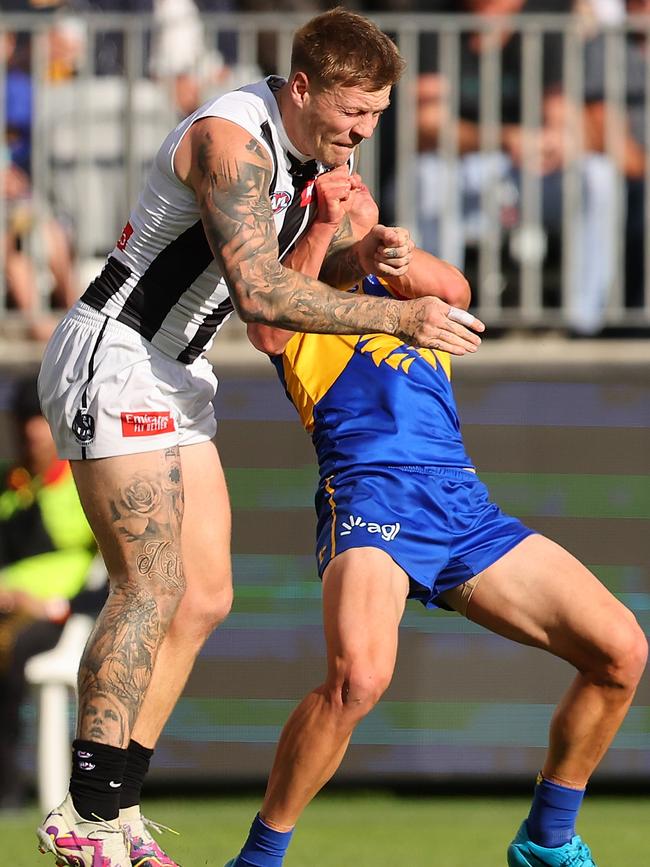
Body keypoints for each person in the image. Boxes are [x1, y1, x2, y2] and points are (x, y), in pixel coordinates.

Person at [35, 8, 486, 867]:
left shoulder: (318, 159)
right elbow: (261, 299)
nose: (363, 132)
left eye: (377, 116)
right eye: (353, 113)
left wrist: (368, 253)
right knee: (150, 583)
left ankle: (120, 810)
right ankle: (85, 814)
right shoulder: (230, 142)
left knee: (204, 596)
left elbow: (290, 303)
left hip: (178, 370)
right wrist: (400, 312)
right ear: (304, 87)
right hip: (117, 354)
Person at [226, 169, 648, 866]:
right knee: (356, 679)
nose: (354, 189)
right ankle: (261, 856)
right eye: (336, 187)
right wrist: (329, 226)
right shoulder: (304, 298)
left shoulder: (401, 290)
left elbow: (455, 292)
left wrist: (380, 248)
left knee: (620, 651)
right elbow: (268, 328)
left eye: (359, 185)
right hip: (369, 494)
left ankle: (546, 839)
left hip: (459, 502)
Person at [413, 0, 618, 336]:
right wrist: (505, 138)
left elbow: (561, 116)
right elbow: (428, 124)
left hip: (529, 167)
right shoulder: (434, 13)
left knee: (597, 176)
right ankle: (441, 317)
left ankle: (584, 323)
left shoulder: (547, 12)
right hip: (463, 164)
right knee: (429, 176)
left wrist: (554, 143)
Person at [0, 376, 99, 809]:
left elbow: (114, 572)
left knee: (9, 650)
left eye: (38, 420)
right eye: (24, 421)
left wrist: (56, 606)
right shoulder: (11, 486)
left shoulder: (83, 484)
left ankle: (6, 783)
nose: (30, 432)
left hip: (57, 617)